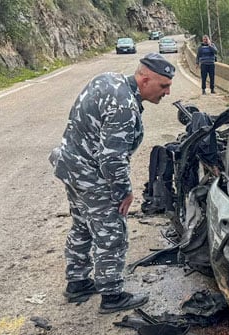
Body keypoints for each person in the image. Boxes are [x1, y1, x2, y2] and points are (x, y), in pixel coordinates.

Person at [49, 53, 174, 314]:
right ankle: (112, 295)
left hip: (71, 166)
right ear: (144, 78)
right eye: (163, 86)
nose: (167, 92)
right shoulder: (125, 107)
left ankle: (78, 282)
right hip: (92, 175)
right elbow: (112, 158)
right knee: (112, 234)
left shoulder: (109, 79)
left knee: (83, 225)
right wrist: (123, 192)